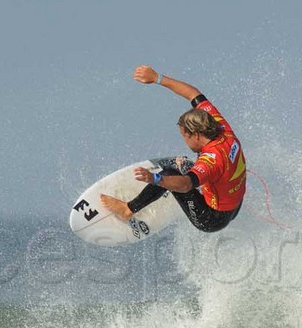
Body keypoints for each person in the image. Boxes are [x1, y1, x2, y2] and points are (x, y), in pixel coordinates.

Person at [100, 66, 247, 233]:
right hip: (235, 204)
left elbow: (186, 184)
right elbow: (193, 93)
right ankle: (171, 183)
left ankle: (127, 210)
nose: (185, 141)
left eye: (185, 136)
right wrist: (157, 78)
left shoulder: (212, 160)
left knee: (169, 173)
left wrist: (156, 179)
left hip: (212, 218)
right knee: (183, 164)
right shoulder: (222, 128)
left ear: (196, 135)